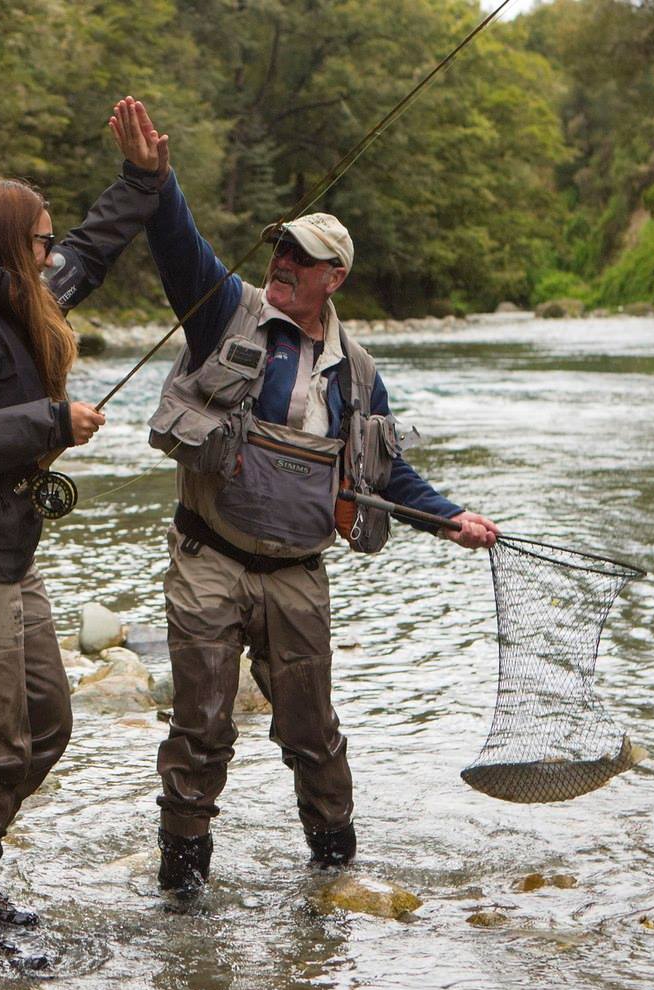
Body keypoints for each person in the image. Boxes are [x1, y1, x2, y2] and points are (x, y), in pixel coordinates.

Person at [110, 97, 501, 898]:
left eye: (304, 257)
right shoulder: (224, 313)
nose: (284, 262)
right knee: (202, 727)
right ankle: (181, 888)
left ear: (335, 277)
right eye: (281, 249)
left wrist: (452, 518)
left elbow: (386, 474)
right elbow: (177, 246)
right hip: (208, 557)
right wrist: (154, 179)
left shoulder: (357, 373)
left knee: (312, 734)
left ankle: (335, 873)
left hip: (297, 572)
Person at [0, 107, 168, 954]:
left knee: (45, 724)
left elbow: (92, 247)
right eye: (39, 241)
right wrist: (48, 420)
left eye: (49, 243)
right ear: (7, 245)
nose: (53, 254)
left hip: (6, 554)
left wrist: (143, 181)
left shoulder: (22, 294)